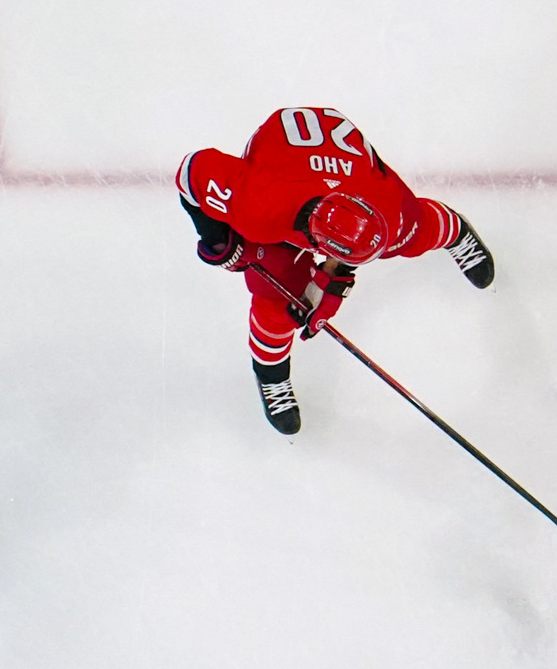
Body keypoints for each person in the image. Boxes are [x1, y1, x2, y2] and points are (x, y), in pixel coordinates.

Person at [177, 106, 497, 433]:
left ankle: (457, 232)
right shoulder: (259, 205)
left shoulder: (393, 213)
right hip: (282, 163)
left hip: (341, 172)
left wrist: (330, 284)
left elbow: (360, 249)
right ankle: (271, 377)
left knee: (417, 235)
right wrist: (219, 240)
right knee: (273, 301)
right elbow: (190, 173)